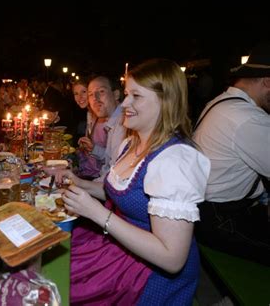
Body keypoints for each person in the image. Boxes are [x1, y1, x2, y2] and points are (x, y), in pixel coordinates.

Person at [52, 59, 210, 304]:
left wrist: (97, 214)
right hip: (117, 247)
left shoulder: (175, 161)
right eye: (126, 94)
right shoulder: (132, 142)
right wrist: (79, 182)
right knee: (52, 266)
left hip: (149, 273)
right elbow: (118, 194)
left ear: (165, 101)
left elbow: (172, 258)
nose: (125, 103)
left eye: (136, 96)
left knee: (63, 290)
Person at [193, 41, 270, 265]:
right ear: (267, 82)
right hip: (221, 220)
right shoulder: (247, 118)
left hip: (207, 212)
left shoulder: (222, 102)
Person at [76, 76, 125, 180]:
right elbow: (108, 160)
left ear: (116, 94)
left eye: (101, 91)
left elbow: (113, 179)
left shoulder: (123, 124)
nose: (95, 98)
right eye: (91, 94)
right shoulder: (109, 120)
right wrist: (92, 148)